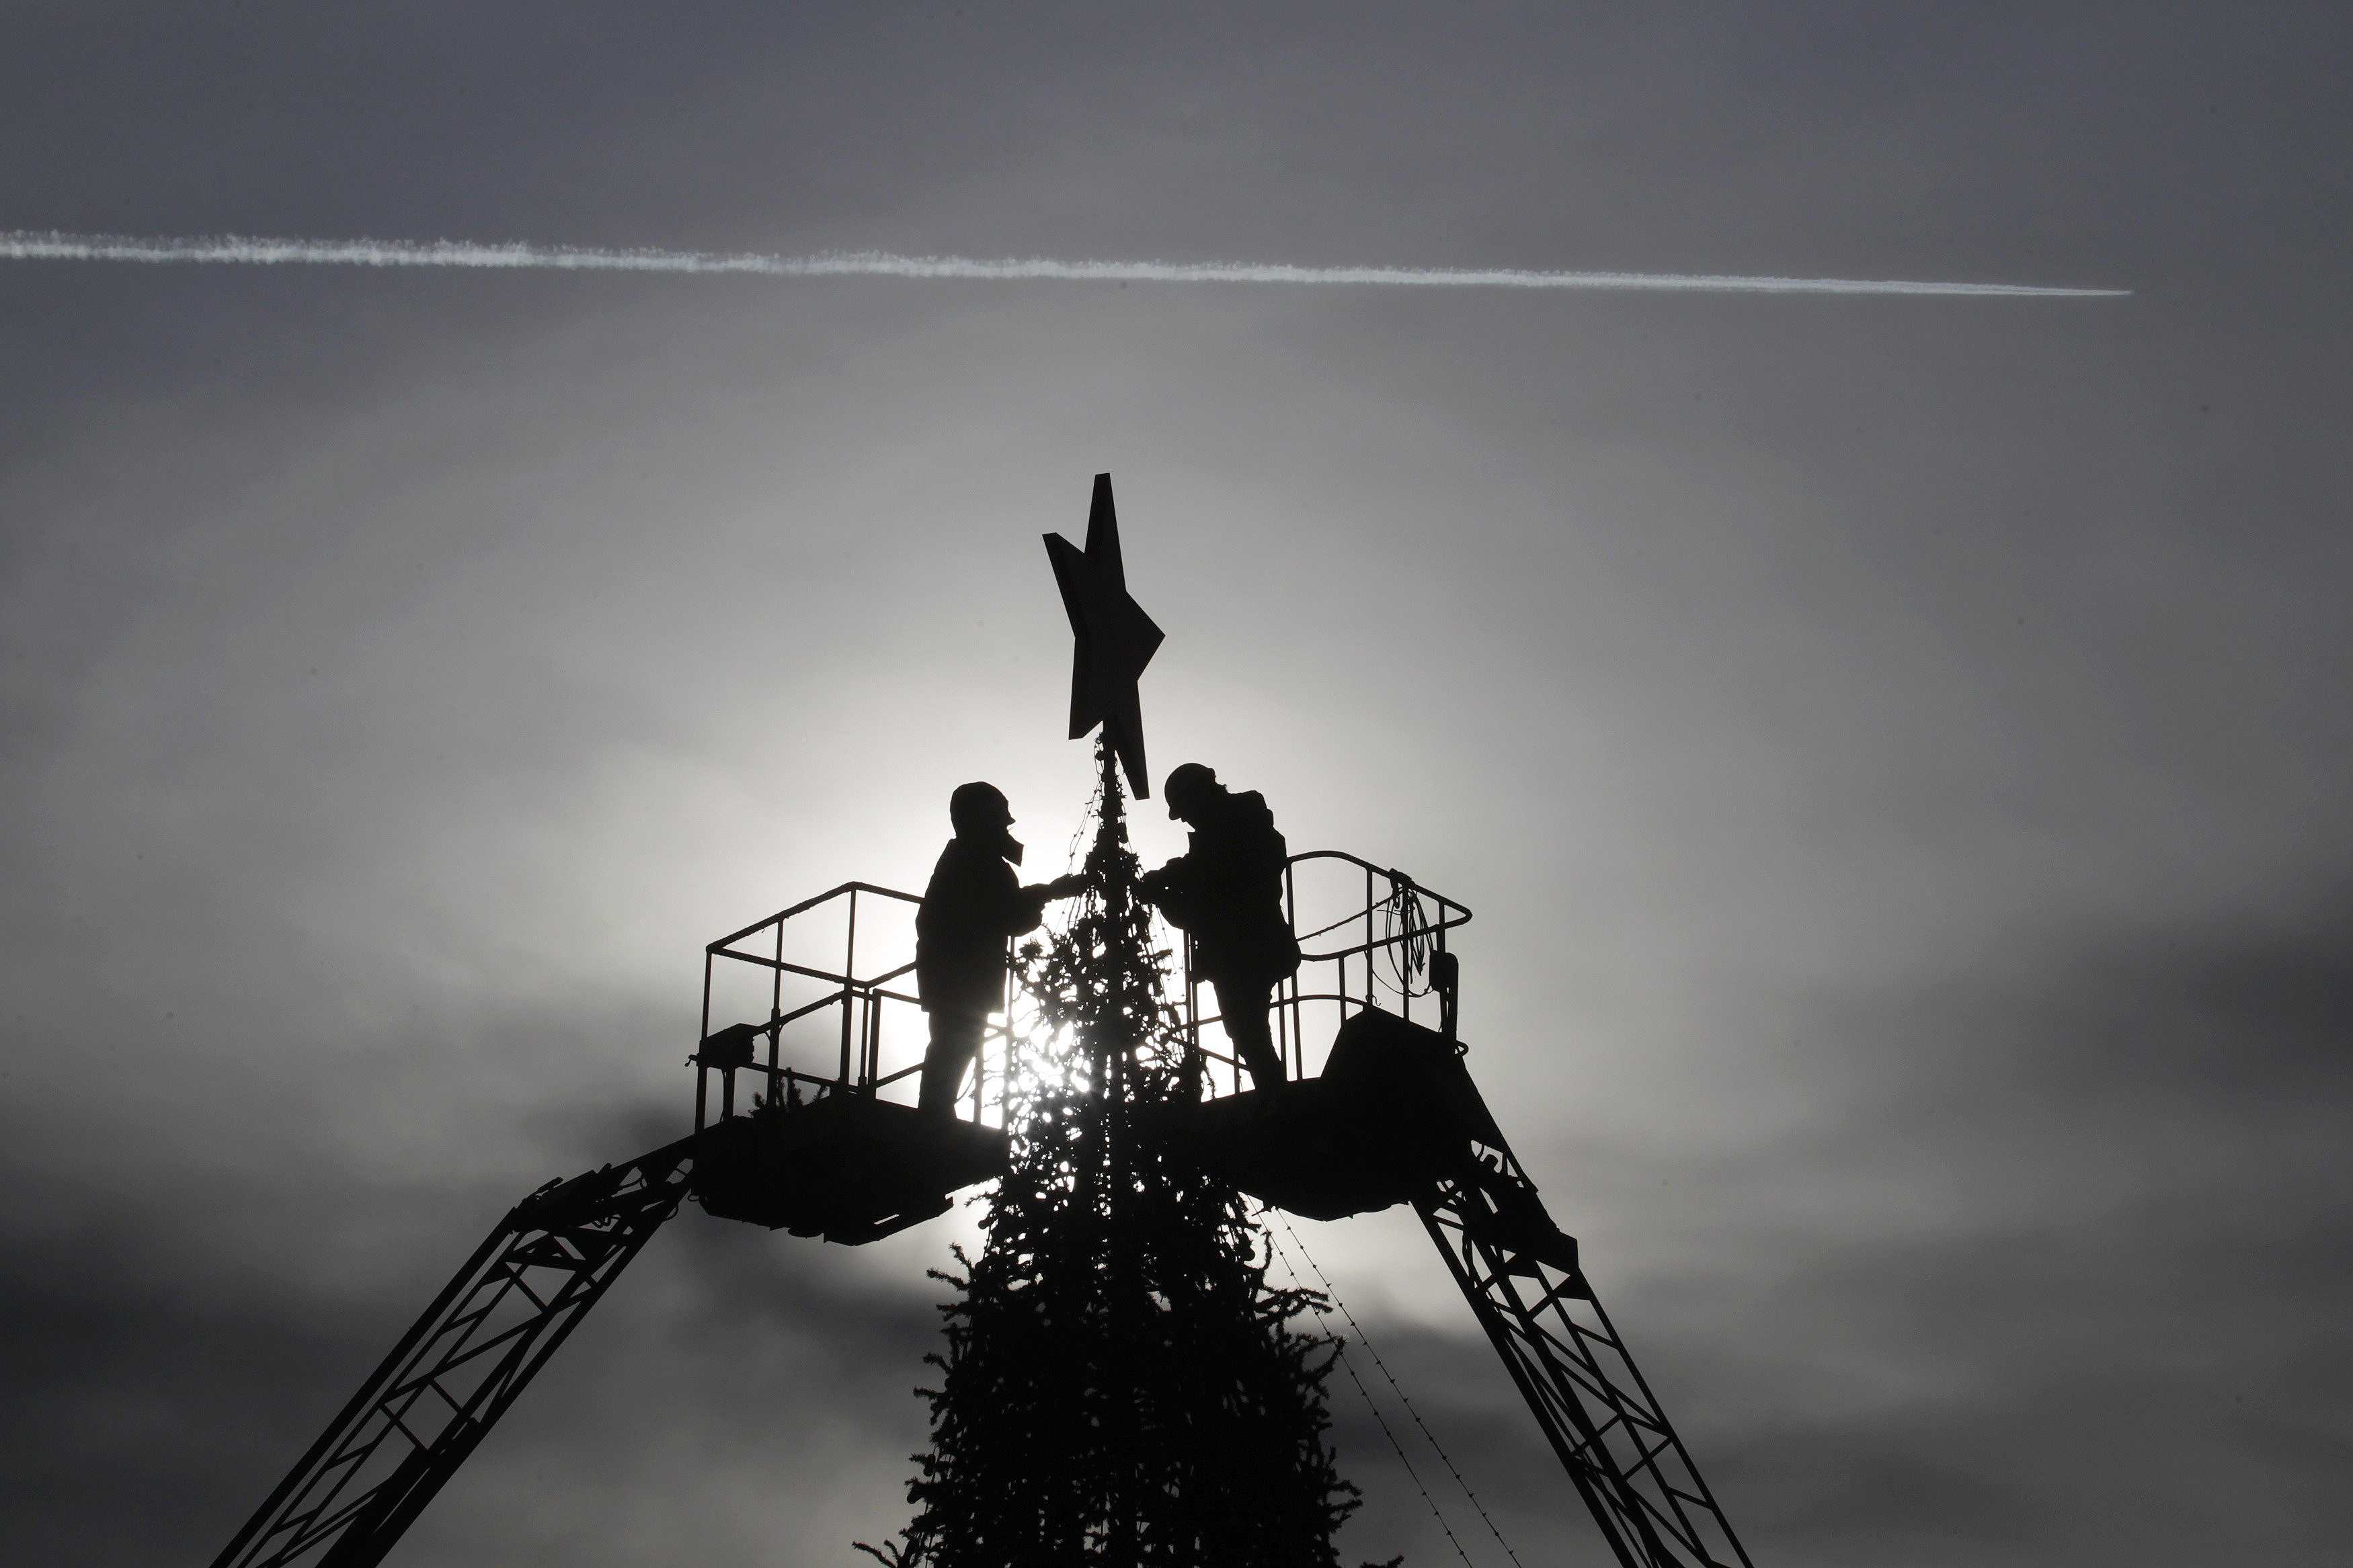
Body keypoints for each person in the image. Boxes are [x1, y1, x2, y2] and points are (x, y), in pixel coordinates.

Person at [916, 782, 1085, 1117]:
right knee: (956, 1041)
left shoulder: (970, 857)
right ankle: (935, 1114)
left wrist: (1044, 894)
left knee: (957, 1041)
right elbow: (1004, 913)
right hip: (962, 974)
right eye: (1000, 819)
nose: (1007, 826)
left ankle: (937, 1111)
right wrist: (1049, 892)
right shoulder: (975, 860)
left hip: (959, 972)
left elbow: (1002, 913)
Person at [1140, 763, 1302, 1091]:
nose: (1184, 819)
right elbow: (1203, 894)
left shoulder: (1238, 824)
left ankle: (1280, 1100)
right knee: (1247, 1032)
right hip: (1238, 949)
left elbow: (1213, 884)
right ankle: (1277, 1096)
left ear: (1199, 796)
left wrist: (1166, 884)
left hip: (1246, 947)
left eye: (1184, 809)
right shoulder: (1235, 825)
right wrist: (1166, 889)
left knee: (1248, 1030)